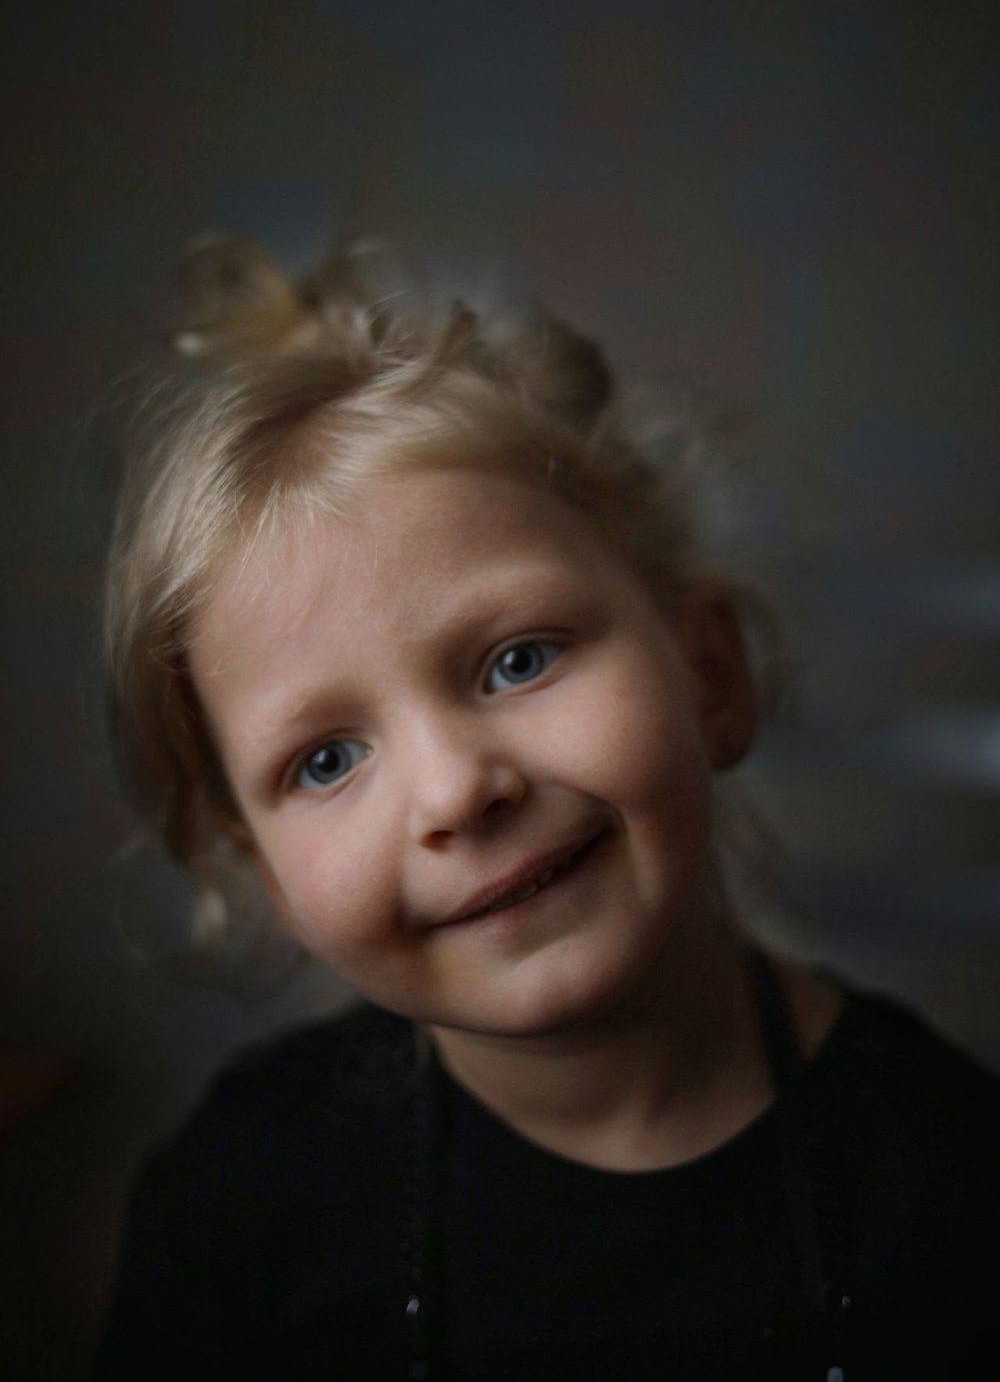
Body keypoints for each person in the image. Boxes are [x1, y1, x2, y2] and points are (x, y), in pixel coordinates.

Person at [93, 234, 998, 1380]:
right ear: (266, 870)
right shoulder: (238, 1206)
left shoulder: (953, 1182)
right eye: (325, 761)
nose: (455, 791)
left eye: (518, 660)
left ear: (709, 672)